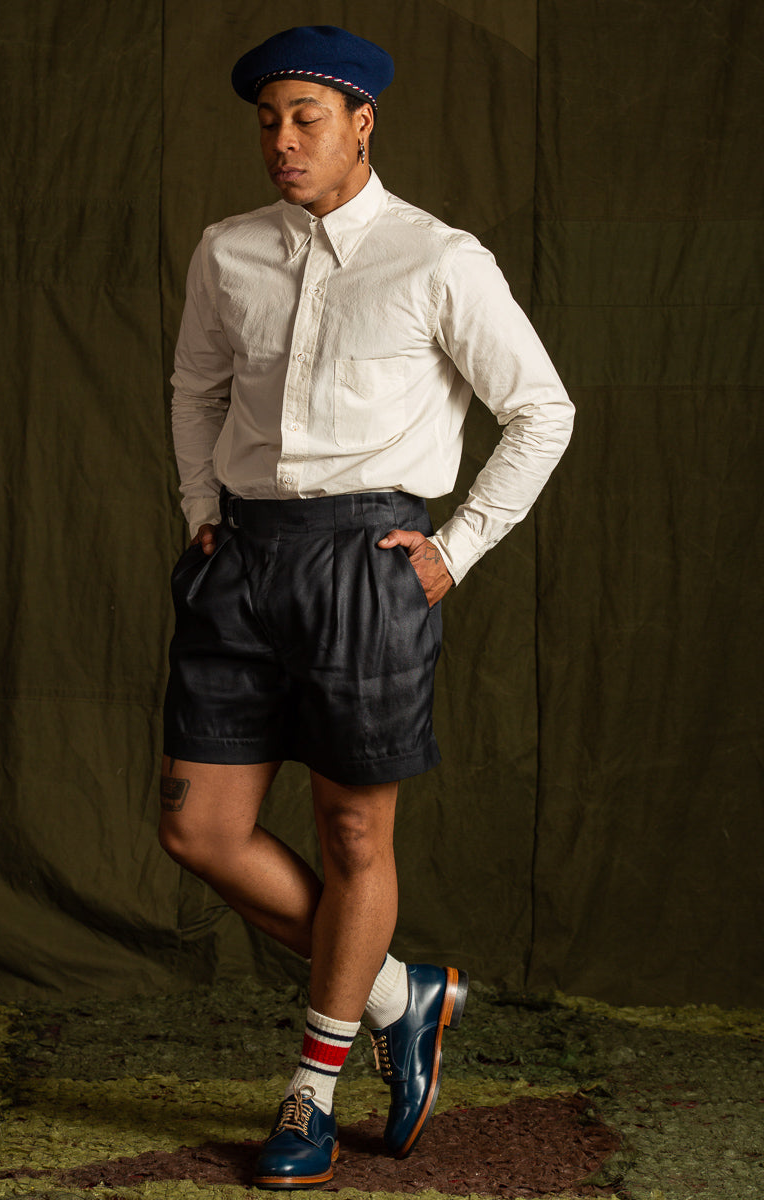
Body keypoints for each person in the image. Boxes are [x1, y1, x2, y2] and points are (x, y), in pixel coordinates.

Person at [158, 24, 574, 1190]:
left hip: (367, 565)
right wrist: (201, 506)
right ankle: (399, 991)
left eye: (307, 118)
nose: (283, 141)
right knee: (198, 830)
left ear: (361, 123)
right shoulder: (228, 250)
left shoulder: (438, 257)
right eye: (268, 122)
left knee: (353, 838)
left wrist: (455, 550)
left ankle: (313, 1089)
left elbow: (542, 410)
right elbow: (194, 389)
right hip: (241, 559)